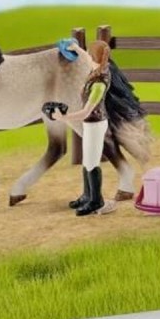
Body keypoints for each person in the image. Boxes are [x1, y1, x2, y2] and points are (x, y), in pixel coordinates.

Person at [52, 39, 112, 216]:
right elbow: (86, 57)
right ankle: (87, 195)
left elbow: (86, 112)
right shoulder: (98, 69)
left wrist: (62, 117)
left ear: (95, 58)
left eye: (90, 55)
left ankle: (96, 201)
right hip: (90, 124)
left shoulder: (99, 83)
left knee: (92, 163)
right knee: (87, 161)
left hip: (95, 124)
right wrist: (76, 48)